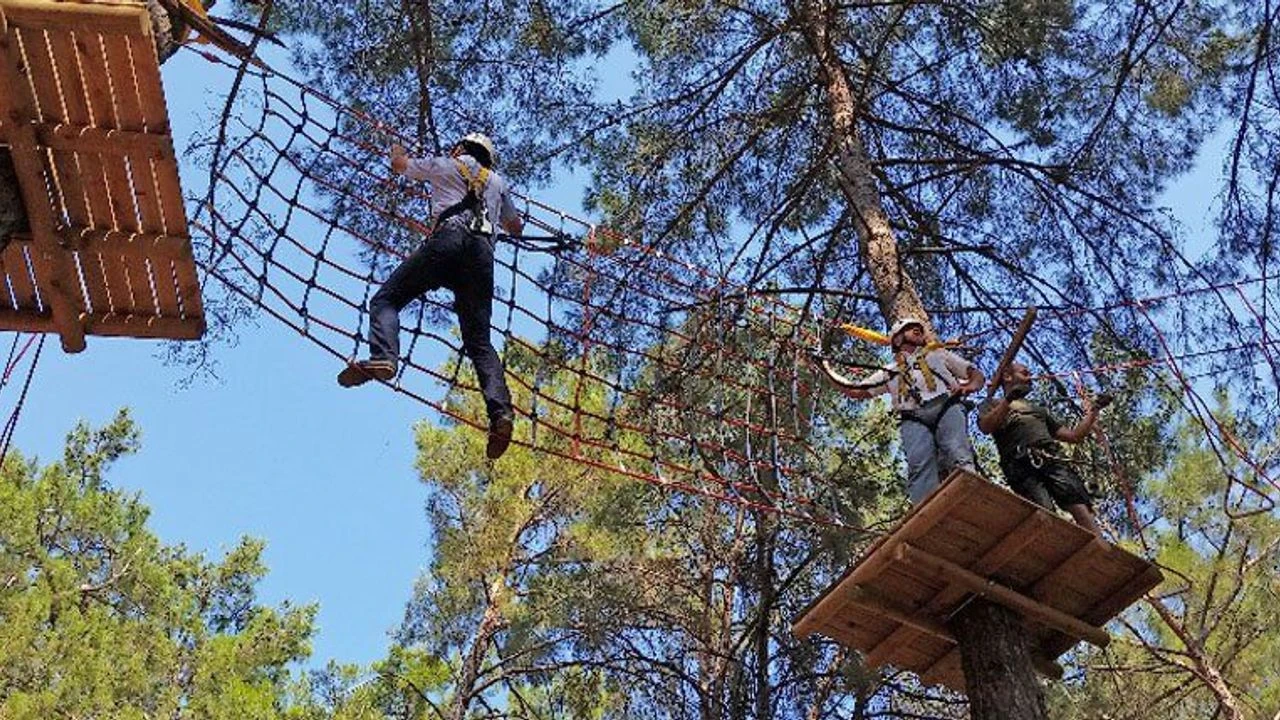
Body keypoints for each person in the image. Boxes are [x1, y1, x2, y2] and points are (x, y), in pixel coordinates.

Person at [338, 133, 523, 460]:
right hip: (481, 257)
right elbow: (516, 226)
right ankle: (501, 415)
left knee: (386, 300)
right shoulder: (498, 182)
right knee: (479, 341)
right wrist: (495, 217)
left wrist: (396, 148)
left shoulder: (444, 165)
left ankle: (385, 357)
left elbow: (400, 166)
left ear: (462, 149)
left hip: (447, 241)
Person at [819, 318, 985, 503]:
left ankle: (973, 498)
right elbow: (856, 390)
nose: (917, 329)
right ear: (897, 340)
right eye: (909, 328)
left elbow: (975, 374)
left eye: (918, 328)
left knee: (957, 452)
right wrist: (826, 369)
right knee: (919, 465)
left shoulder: (938, 354)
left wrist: (969, 387)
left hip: (945, 405)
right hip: (913, 418)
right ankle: (926, 510)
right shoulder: (889, 371)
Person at [977, 362, 1110, 534]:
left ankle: (1100, 550)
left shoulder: (1038, 410)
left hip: (1051, 456)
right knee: (1043, 511)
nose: (1030, 377)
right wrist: (1008, 399)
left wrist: (1094, 411)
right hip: (1020, 462)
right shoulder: (992, 404)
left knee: (1080, 506)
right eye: (1025, 373)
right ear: (1008, 377)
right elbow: (986, 427)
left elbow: (1073, 436)